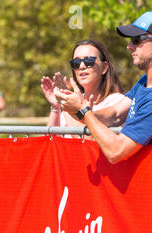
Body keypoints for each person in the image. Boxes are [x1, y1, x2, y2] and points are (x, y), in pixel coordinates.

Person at [55, 11, 152, 163]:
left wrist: (83, 110)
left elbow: (116, 151)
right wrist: (74, 108)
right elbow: (115, 114)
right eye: (75, 63)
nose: (129, 46)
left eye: (136, 39)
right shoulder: (144, 82)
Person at [41, 39, 124, 136]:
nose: (81, 66)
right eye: (76, 62)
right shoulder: (70, 102)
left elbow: (85, 142)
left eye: (89, 61)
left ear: (104, 67)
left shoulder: (118, 102)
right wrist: (56, 105)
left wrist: (67, 105)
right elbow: (50, 143)